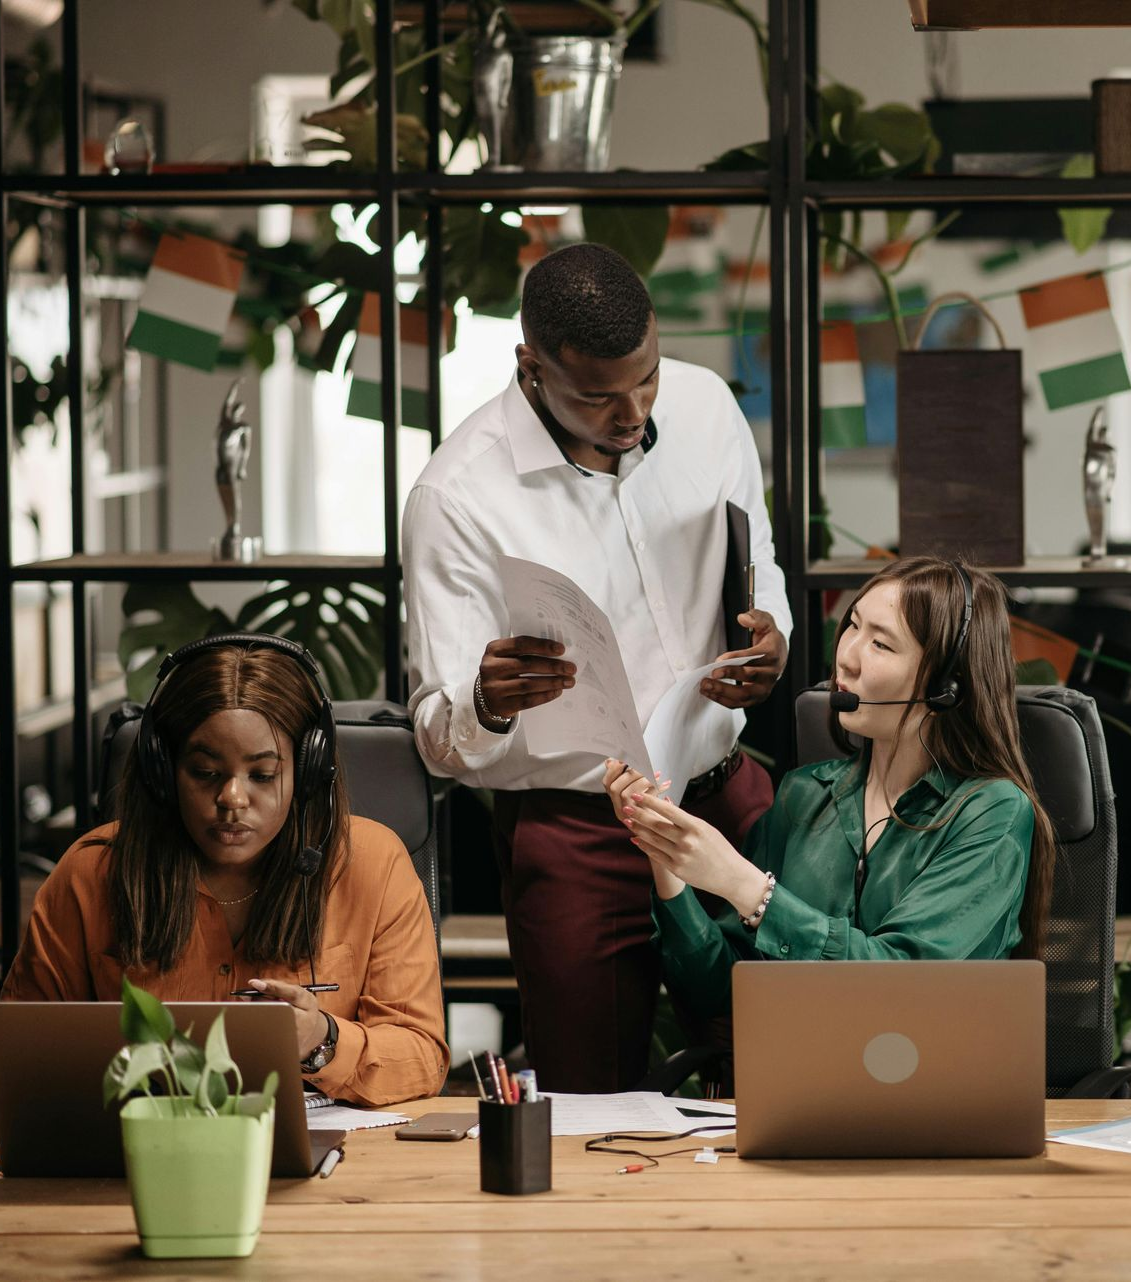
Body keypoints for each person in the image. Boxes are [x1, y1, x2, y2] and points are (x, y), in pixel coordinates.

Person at [402, 242, 791, 1092]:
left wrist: (772, 645)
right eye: (598, 394)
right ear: (530, 366)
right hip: (577, 830)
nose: (632, 411)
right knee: (587, 1097)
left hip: (726, 798)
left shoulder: (706, 407)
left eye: (643, 378)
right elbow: (438, 736)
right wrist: (486, 701)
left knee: (789, 1067)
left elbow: (757, 565)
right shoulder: (457, 497)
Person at [1, 635, 449, 1109]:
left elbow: (422, 1057)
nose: (232, 800)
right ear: (163, 769)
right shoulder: (91, 873)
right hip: (138, 1154)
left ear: (306, 772)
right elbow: (19, 1055)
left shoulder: (372, 863)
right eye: (205, 773)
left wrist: (322, 1039)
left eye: (262, 776)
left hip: (337, 1156)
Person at [605, 557, 1056, 1025]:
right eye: (853, 626)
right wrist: (665, 857)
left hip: (926, 1093)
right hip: (794, 1085)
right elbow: (720, 1002)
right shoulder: (804, 794)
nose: (847, 656)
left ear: (945, 687)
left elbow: (904, 990)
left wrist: (747, 887)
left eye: (881, 643)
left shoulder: (991, 813)